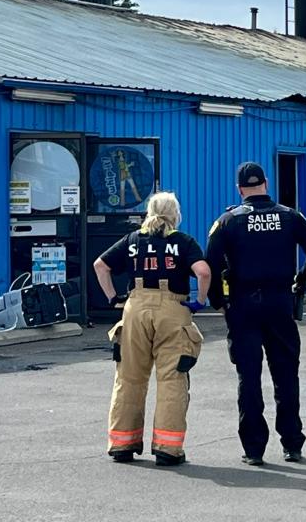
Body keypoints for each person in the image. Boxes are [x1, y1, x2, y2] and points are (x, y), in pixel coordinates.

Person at [206, 161, 306, 466]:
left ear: (239, 188)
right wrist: (300, 280)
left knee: (249, 376)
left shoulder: (228, 221)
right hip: (280, 302)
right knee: (286, 374)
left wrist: (220, 303)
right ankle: (292, 444)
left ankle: (254, 449)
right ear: (267, 184)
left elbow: (211, 263)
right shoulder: (290, 216)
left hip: (243, 306)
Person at [94, 191, 210, 467]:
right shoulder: (182, 242)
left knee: (129, 377)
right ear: (175, 214)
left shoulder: (133, 240)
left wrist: (113, 299)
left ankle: (122, 444)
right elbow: (204, 272)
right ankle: (167, 449)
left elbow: (100, 265)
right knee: (172, 379)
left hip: (135, 306)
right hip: (172, 308)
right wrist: (200, 301)